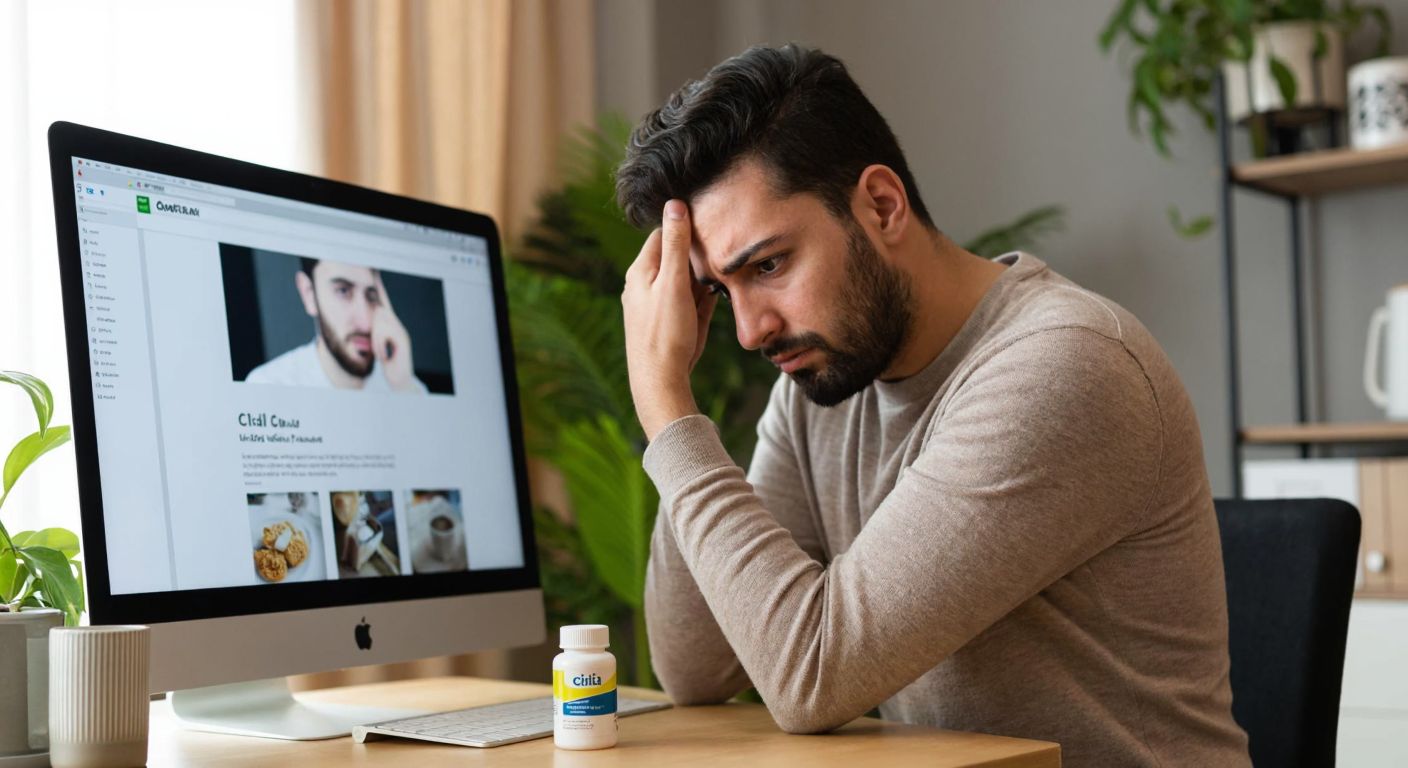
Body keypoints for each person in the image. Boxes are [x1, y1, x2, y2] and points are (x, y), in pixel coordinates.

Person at [616, 44, 1251, 766]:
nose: (751, 329)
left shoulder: (1065, 365)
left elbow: (810, 674)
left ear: (882, 206)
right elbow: (698, 668)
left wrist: (665, 406)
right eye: (720, 291)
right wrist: (679, 409)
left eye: (769, 265)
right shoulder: (824, 383)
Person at [246, 258, 426, 392]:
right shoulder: (269, 386)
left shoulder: (407, 387)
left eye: (371, 296)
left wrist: (403, 387)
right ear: (309, 294)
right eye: (343, 291)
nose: (365, 323)